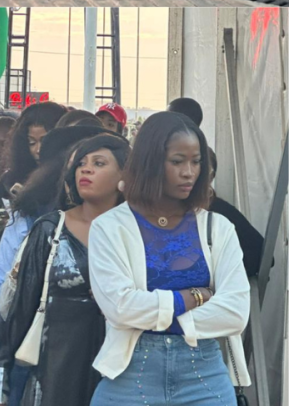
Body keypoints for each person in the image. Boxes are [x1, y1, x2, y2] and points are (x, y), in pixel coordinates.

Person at [86, 113, 251, 406]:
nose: (189, 172)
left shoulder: (218, 227)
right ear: (149, 161)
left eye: (196, 161)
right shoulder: (109, 227)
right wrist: (195, 296)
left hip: (205, 379)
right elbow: (120, 307)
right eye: (177, 161)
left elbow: (236, 312)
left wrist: (158, 316)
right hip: (130, 376)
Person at [0, 133, 129, 406]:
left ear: (125, 176)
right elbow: (18, 316)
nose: (86, 169)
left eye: (99, 163)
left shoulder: (137, 233)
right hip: (54, 374)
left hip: (120, 376)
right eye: (81, 164)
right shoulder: (50, 230)